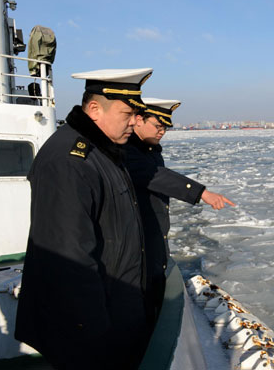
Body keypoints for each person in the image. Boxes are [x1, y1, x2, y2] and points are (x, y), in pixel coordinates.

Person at [15, 68, 155, 369]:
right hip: (92, 329)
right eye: (127, 113)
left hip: (115, 312)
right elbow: (69, 257)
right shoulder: (70, 161)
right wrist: (94, 334)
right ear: (94, 109)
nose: (134, 121)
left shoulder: (102, 151)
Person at [123, 98, 235, 319]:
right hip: (136, 238)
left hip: (153, 233)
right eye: (158, 126)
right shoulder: (127, 150)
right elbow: (154, 176)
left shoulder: (149, 149)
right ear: (138, 121)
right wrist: (202, 193)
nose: (162, 131)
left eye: (165, 127)